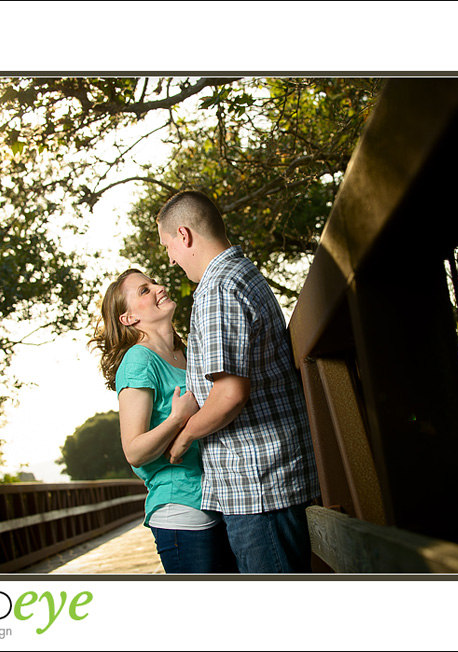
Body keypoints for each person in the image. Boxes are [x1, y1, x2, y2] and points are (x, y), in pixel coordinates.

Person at [156, 190, 321, 573]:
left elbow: (229, 394)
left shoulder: (216, 290)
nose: (171, 259)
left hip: (258, 488)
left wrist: (185, 434)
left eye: (168, 247)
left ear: (184, 235)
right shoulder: (242, 273)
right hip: (271, 479)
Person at [90, 268, 238, 574]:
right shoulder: (139, 360)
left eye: (154, 282)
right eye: (144, 290)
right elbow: (134, 451)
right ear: (128, 318)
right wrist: (177, 418)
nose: (158, 288)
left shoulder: (185, 353)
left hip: (218, 500)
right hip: (182, 511)